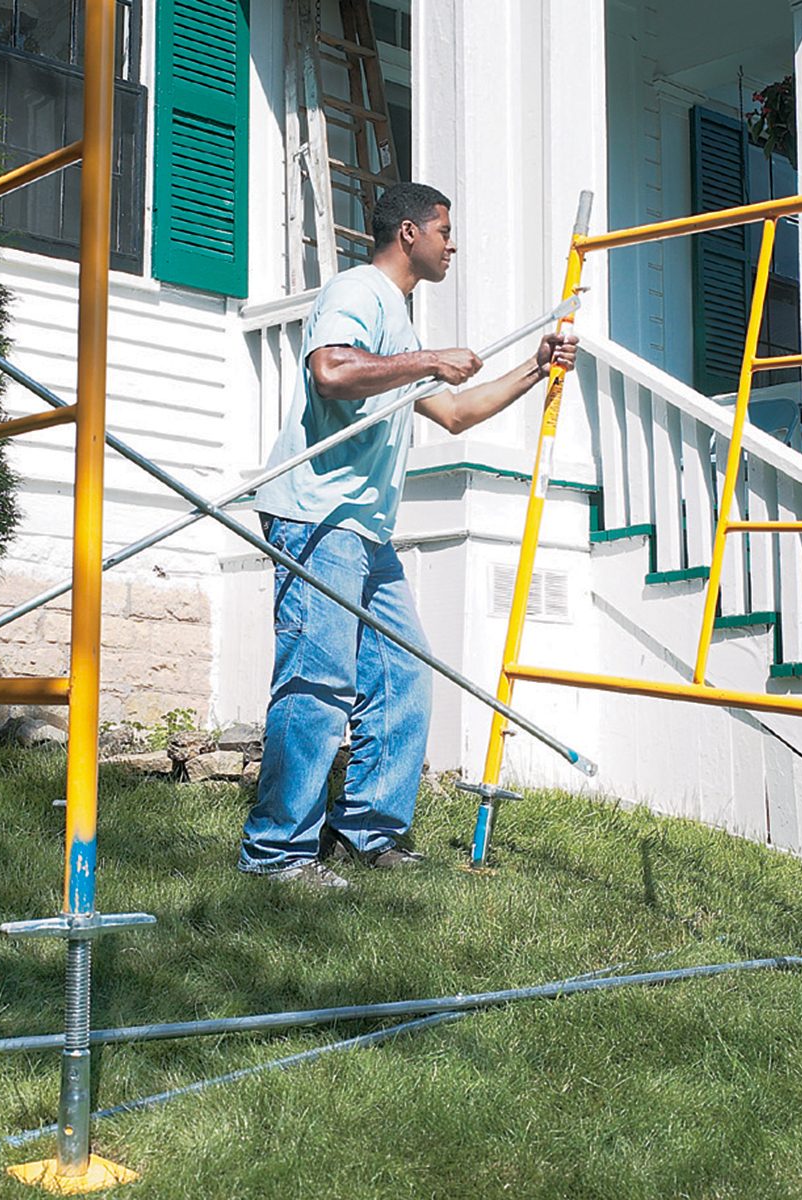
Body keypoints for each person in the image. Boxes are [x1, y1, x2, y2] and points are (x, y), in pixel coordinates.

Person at [240, 182, 578, 888]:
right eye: (443, 231)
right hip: (317, 514)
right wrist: (428, 361)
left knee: (402, 677)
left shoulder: (396, 320)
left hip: (364, 529)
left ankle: (368, 831)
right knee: (318, 682)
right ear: (408, 234)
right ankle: (277, 854)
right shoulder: (359, 290)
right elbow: (331, 372)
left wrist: (535, 367)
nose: (452, 245)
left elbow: (455, 413)